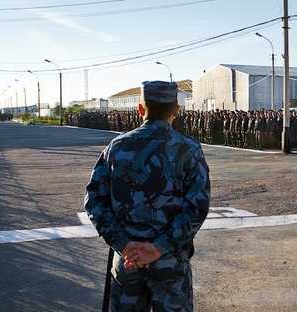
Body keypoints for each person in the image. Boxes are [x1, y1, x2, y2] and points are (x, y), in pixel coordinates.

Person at [84, 81, 211, 312]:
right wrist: (159, 247)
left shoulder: (117, 147)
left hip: (127, 260)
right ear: (176, 110)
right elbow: (197, 208)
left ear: (140, 109)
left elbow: (94, 200)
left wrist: (123, 244)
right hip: (170, 263)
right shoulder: (188, 149)